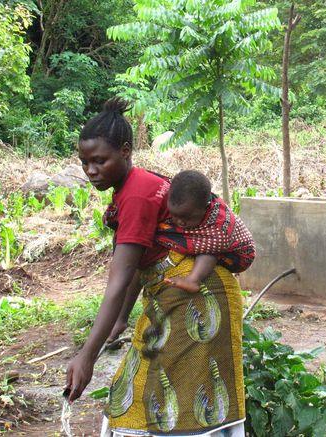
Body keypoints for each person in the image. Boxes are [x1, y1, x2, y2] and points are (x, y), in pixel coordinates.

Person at [65, 98, 246, 437]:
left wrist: (87, 355)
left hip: (195, 296)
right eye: (85, 162)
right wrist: (120, 319)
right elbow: (141, 262)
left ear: (126, 151)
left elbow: (118, 281)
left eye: (99, 160)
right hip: (178, 293)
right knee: (155, 396)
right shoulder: (137, 185)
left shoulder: (136, 196)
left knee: (172, 399)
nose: (91, 170)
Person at [157, 169, 255, 293]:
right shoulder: (188, 204)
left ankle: (193, 280)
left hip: (238, 254)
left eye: (187, 218)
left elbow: (210, 242)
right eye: (174, 215)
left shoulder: (219, 227)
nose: (180, 222)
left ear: (206, 207)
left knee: (208, 252)